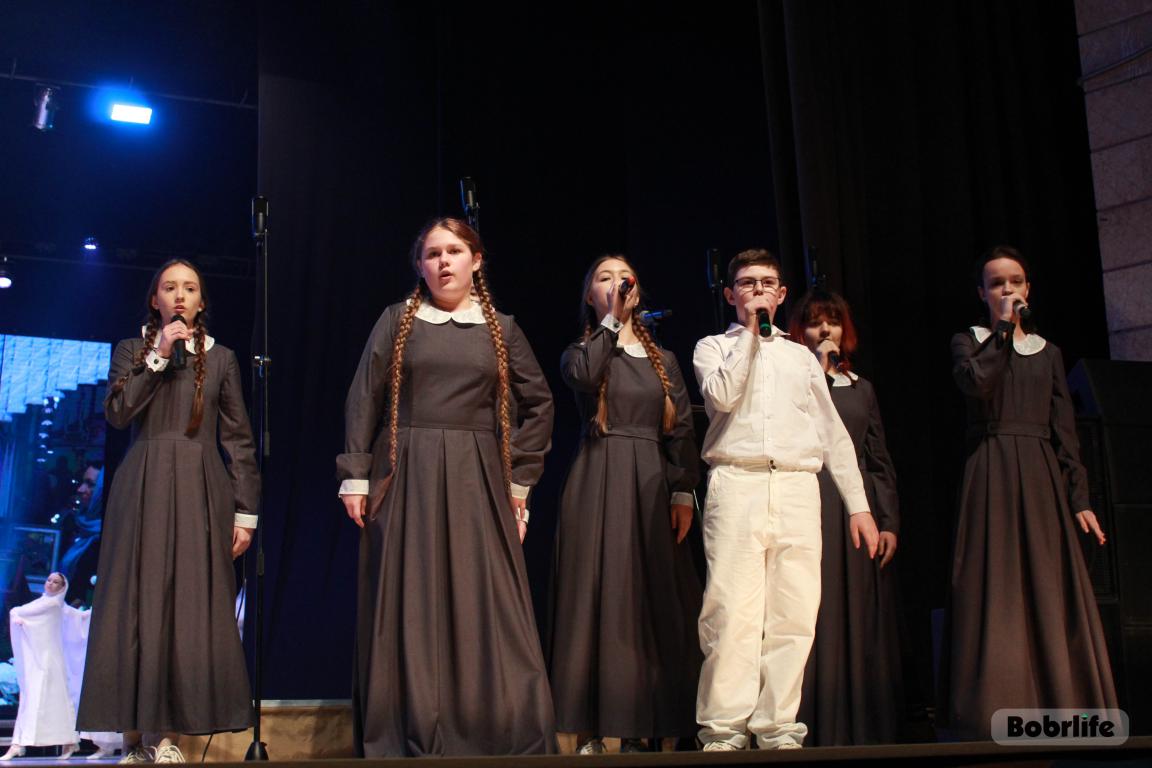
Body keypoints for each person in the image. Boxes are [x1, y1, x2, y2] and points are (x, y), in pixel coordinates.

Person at [338, 217, 556, 757]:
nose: (443, 262)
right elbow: (364, 396)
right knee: (410, 598)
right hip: (406, 469)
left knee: (485, 598)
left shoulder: (502, 328)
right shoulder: (398, 320)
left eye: (454, 251)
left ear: (476, 260)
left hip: (478, 474)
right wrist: (355, 474)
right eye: (433, 254)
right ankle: (408, 724)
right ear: (420, 265)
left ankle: (489, 727)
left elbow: (539, 404)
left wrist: (519, 481)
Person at [692, 249, 879, 751]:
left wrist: (859, 505)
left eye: (767, 283)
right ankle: (724, 729)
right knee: (731, 612)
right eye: (747, 283)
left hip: (797, 485)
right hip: (738, 481)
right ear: (730, 294)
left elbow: (831, 432)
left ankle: (777, 726)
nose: (758, 290)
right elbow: (722, 397)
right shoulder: (713, 347)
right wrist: (752, 338)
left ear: (781, 294)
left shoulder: (800, 358)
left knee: (794, 613)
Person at [77, 259, 260, 763]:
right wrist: (158, 353)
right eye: (170, 287)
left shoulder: (221, 359)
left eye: (190, 288)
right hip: (142, 485)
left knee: (188, 609)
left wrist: (245, 513)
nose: (180, 296)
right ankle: (133, 739)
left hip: (201, 487)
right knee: (136, 604)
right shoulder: (131, 350)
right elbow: (119, 414)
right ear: (154, 299)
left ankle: (169, 739)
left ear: (201, 301)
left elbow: (238, 439)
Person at [940, 245, 1115, 740]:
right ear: (982, 293)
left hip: (1040, 475)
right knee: (994, 583)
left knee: (1046, 583)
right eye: (997, 283)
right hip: (991, 468)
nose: (1007, 290)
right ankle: (991, 711)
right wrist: (1001, 331)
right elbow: (976, 386)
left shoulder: (1049, 352)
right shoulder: (969, 341)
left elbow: (1065, 432)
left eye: (1014, 282)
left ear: (1028, 288)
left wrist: (1080, 498)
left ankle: (1062, 711)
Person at [549, 256, 702, 754]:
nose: (616, 283)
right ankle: (595, 727)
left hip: (651, 482)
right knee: (597, 599)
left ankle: (657, 725)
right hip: (598, 477)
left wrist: (682, 490)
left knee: (654, 599)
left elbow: (681, 429)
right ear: (590, 296)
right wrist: (613, 322)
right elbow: (584, 376)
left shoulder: (665, 359)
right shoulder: (582, 351)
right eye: (603, 278)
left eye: (623, 276)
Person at [790, 290, 903, 745]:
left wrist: (888, 520)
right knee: (813, 610)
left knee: (858, 613)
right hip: (810, 499)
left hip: (856, 511)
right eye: (816, 322)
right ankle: (812, 727)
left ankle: (863, 731)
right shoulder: (793, 382)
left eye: (832, 322)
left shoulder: (861, 388)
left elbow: (878, 458)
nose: (825, 330)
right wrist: (816, 372)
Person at [3, 573, 81, 761]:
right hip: (38, 659)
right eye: (49, 580)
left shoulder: (53, 604)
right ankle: (19, 743)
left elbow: (21, 611)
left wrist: (18, 616)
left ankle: (23, 743)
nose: (50, 584)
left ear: (62, 587)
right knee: (34, 699)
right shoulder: (47, 602)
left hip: (47, 662)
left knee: (48, 701)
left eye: (56, 582)